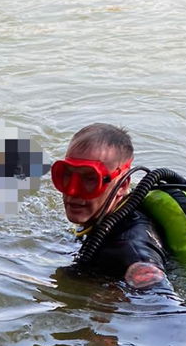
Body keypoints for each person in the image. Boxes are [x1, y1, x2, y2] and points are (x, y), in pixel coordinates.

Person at [52, 123, 169, 290]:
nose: (72, 191)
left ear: (122, 186)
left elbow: (166, 305)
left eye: (91, 179)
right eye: (67, 174)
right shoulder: (105, 217)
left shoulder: (131, 247)